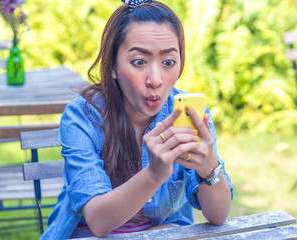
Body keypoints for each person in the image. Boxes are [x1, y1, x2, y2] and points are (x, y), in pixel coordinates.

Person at [40, 0, 233, 239]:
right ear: (112, 66)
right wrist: (154, 174)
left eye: (168, 62)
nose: (155, 79)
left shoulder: (189, 116)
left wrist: (208, 166)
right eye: (139, 62)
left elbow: (218, 216)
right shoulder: (83, 116)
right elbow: (98, 222)